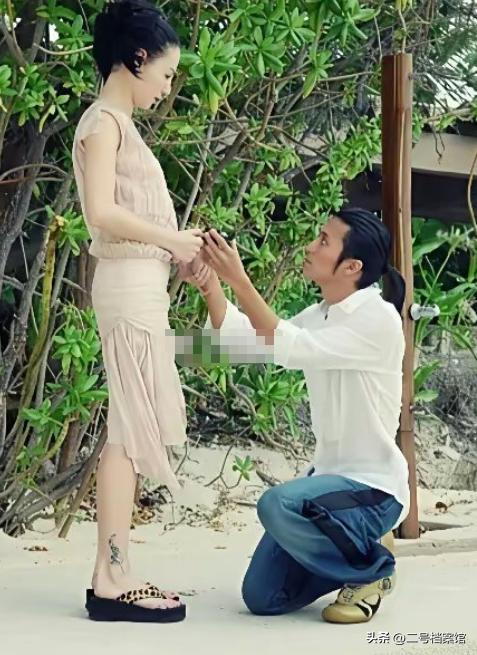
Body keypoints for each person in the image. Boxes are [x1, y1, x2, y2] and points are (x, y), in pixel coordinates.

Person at [180, 207, 410, 623]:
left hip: (372, 489)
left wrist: (239, 279)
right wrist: (211, 284)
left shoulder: (378, 320)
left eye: (324, 241)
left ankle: (370, 569)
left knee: (277, 504)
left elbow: (288, 346)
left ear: (352, 267)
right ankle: (360, 543)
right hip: (327, 489)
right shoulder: (321, 316)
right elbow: (247, 343)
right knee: (264, 598)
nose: (310, 246)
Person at [72, 0, 206, 623]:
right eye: (166, 73)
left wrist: (176, 252)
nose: (168, 86)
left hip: (141, 288)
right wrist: (171, 240)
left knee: (128, 429)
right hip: (127, 291)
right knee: (127, 430)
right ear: (136, 59)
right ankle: (111, 576)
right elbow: (100, 211)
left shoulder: (119, 124)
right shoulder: (104, 122)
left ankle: (114, 571)